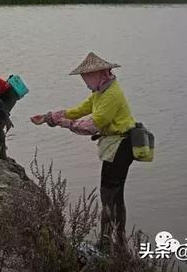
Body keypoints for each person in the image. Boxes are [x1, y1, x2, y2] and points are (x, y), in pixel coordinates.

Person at [30, 52, 137, 251]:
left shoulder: (111, 95)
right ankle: (119, 242)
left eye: (87, 77)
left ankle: (107, 241)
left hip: (122, 148)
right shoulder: (101, 92)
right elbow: (80, 110)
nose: (85, 81)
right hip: (116, 146)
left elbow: (92, 125)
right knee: (115, 195)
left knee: (109, 194)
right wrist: (49, 117)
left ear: (100, 74)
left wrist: (64, 123)